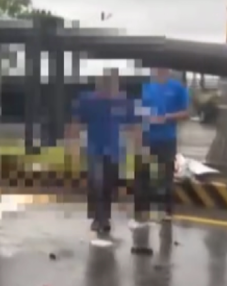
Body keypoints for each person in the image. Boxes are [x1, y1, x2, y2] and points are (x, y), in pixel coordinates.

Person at [66, 68, 140, 235]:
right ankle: (98, 218)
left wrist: (138, 144)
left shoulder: (124, 102)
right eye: (105, 84)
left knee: (108, 184)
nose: (109, 89)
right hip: (94, 148)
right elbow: (76, 122)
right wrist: (73, 143)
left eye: (112, 84)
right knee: (96, 182)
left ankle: (103, 216)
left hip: (115, 150)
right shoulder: (87, 100)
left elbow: (134, 125)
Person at [135, 67, 190, 222]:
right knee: (142, 176)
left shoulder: (177, 88)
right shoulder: (144, 86)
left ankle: (167, 211)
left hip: (167, 138)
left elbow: (186, 113)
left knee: (166, 176)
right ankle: (140, 211)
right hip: (146, 139)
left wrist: (166, 117)